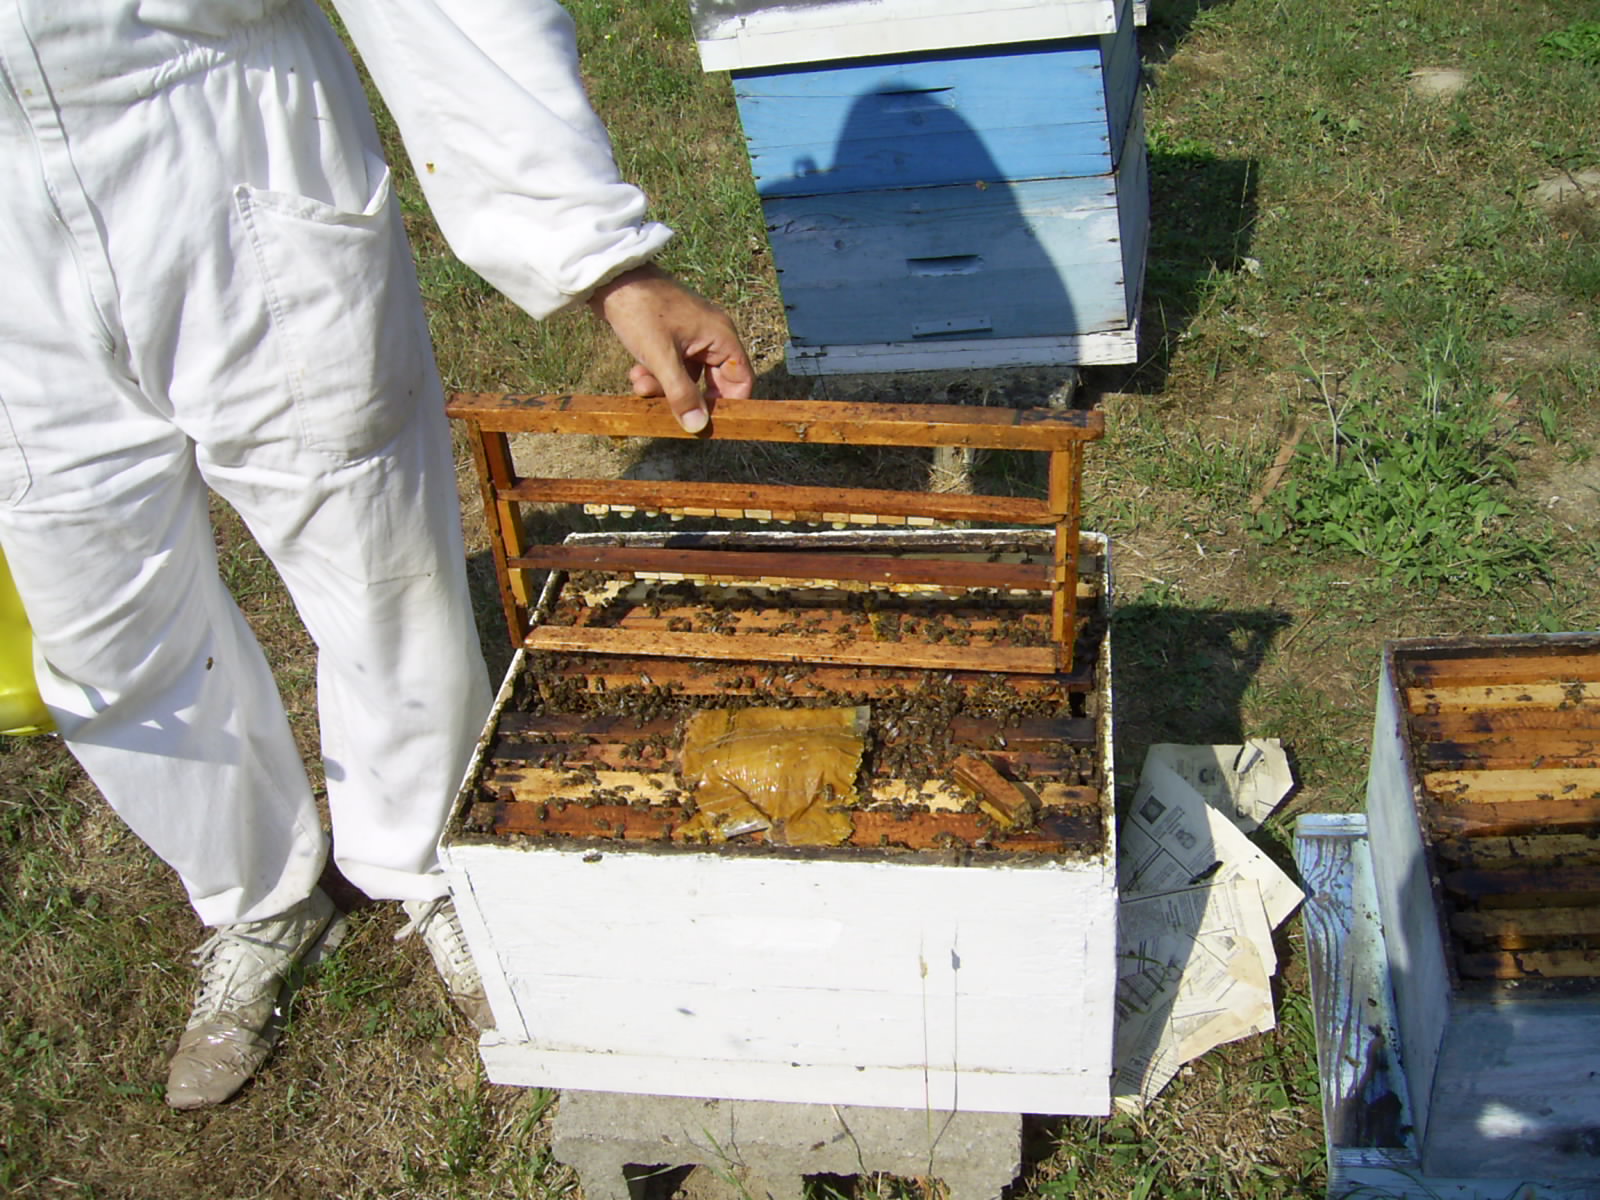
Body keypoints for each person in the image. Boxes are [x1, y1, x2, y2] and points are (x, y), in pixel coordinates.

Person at [0, 0, 750, 1110]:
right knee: (98, 614)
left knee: (373, 562)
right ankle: (256, 898)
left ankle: (428, 860)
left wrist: (601, 256)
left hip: (216, 133)